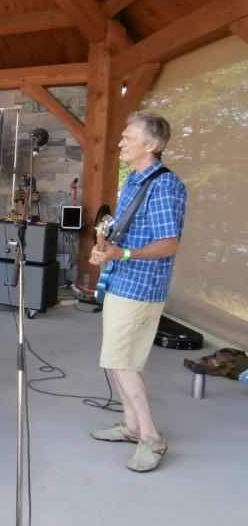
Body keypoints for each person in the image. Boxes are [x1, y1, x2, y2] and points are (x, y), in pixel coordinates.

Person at [88, 111, 187, 472]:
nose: (120, 143)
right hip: (122, 280)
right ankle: (131, 427)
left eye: (128, 137)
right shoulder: (133, 179)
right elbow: (125, 231)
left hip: (141, 287)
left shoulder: (164, 185)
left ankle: (151, 438)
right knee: (117, 358)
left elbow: (169, 243)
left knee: (122, 362)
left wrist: (124, 254)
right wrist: (104, 249)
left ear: (151, 145)